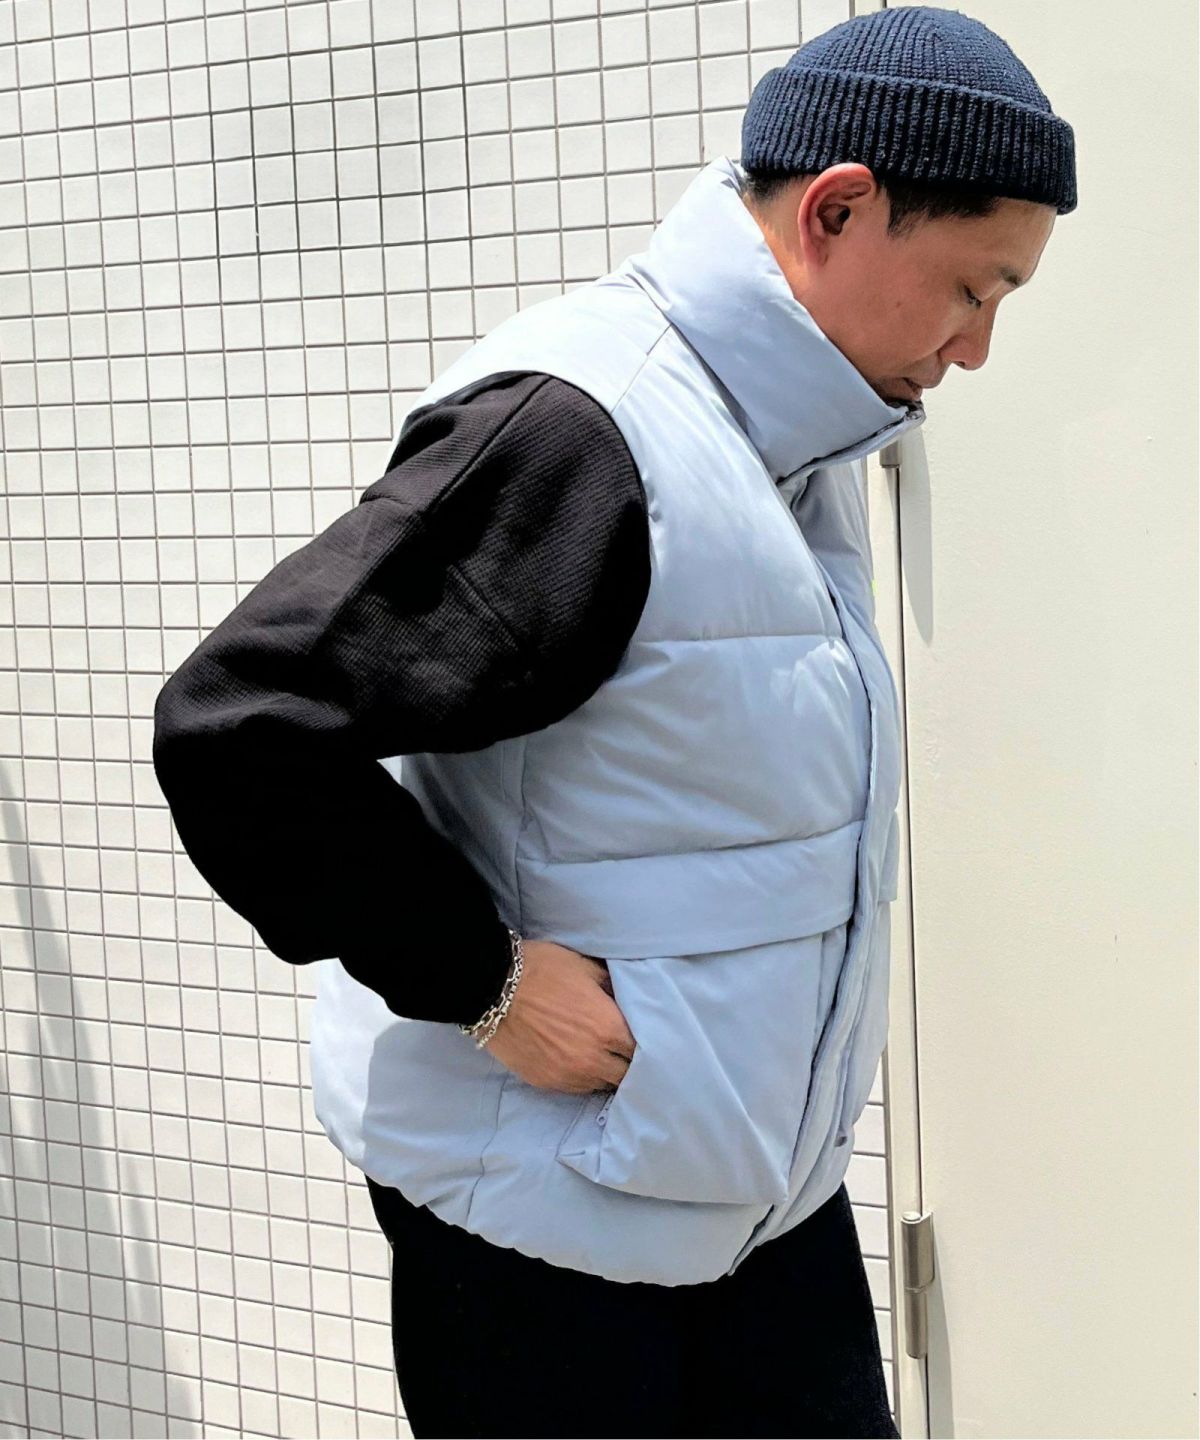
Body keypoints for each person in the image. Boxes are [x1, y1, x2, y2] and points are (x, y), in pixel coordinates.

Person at [152, 6, 1076, 1437]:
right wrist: (482, 980)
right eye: (972, 288)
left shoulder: (783, 441)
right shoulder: (590, 431)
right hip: (552, 1238)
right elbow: (242, 728)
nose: (977, 349)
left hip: (747, 1202)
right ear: (838, 212)